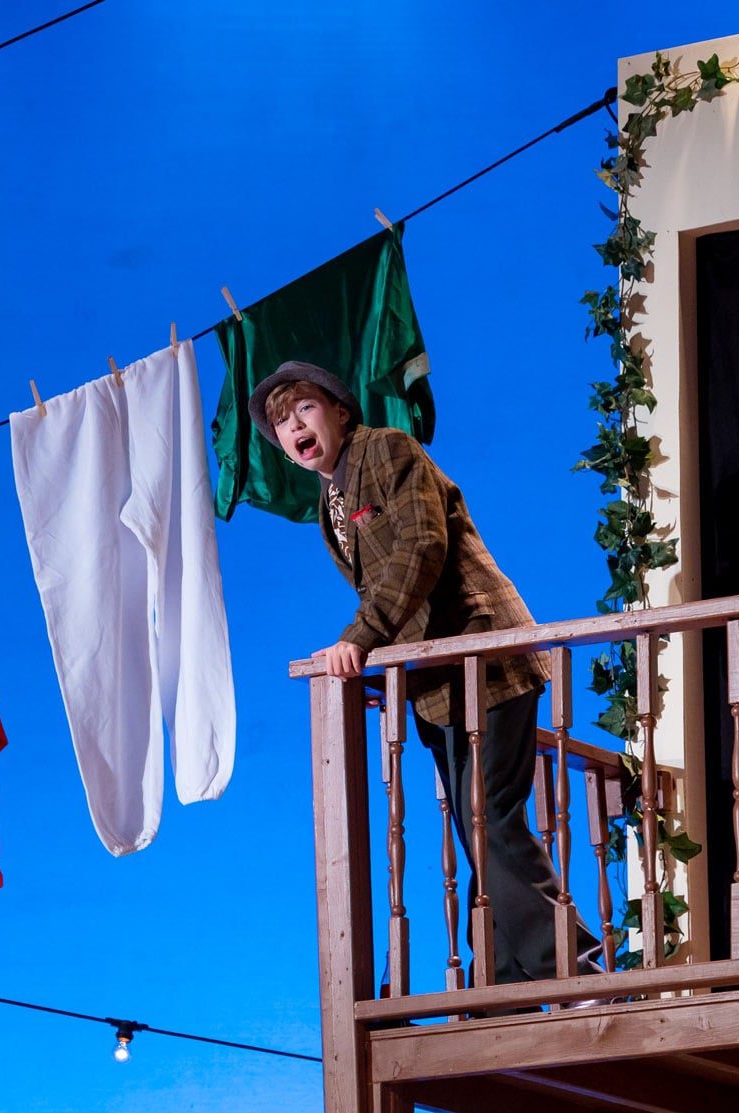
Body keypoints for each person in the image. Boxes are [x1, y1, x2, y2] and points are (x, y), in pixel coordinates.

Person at [251, 360, 588, 985]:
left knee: (488, 813)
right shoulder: (330, 501)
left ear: (339, 412)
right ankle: (509, 986)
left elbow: (421, 548)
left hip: (483, 656)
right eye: (280, 422)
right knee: (473, 825)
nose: (293, 425)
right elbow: (382, 577)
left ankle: (575, 967)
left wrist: (358, 639)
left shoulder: (385, 450)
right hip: (436, 684)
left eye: (303, 409)